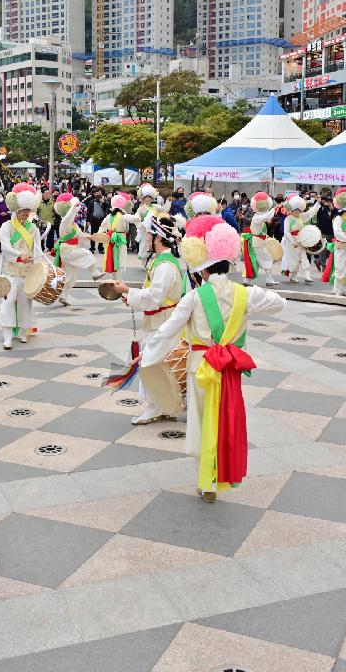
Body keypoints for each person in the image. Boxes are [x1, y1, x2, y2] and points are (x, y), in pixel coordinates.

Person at [139, 215, 285, 502]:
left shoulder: (194, 298)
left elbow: (167, 331)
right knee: (226, 420)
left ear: (203, 271)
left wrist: (147, 357)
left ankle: (205, 481)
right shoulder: (246, 294)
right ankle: (221, 473)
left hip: (201, 368)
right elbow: (280, 303)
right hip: (230, 367)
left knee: (201, 421)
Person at [111, 213, 188, 425]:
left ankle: (156, 407)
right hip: (162, 320)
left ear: (158, 238)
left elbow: (154, 298)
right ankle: (163, 405)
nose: (148, 239)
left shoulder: (165, 266)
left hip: (165, 323)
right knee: (156, 363)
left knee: (151, 363)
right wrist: (132, 297)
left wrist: (128, 290)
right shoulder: (163, 262)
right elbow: (152, 295)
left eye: (151, 235)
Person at [0, 183, 47, 349]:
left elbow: (38, 248)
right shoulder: (6, 226)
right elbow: (5, 247)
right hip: (10, 270)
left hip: (27, 271)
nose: (26, 214)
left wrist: (40, 263)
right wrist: (19, 255)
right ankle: (7, 335)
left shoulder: (33, 228)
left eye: (28, 211)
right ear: (16, 209)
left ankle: (22, 332)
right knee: (8, 301)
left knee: (25, 302)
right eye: (23, 210)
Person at [53, 192, 100, 306]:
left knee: (69, 275)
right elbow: (69, 215)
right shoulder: (65, 221)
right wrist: (74, 206)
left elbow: (80, 234)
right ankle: (94, 273)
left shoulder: (74, 224)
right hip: (67, 250)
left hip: (71, 249)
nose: (75, 214)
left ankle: (63, 297)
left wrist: (90, 236)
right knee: (86, 253)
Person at [280, 193, 320, 284]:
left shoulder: (301, 217)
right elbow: (286, 232)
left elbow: (310, 213)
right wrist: (292, 241)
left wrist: (317, 203)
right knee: (293, 260)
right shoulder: (288, 219)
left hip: (301, 240)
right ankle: (293, 276)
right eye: (295, 209)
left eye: (299, 209)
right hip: (291, 242)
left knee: (304, 258)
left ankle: (307, 276)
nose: (297, 211)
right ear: (291, 210)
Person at [242, 192, 278, 287]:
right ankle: (269, 280)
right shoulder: (257, 218)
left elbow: (266, 217)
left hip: (258, 242)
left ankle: (247, 281)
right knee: (268, 259)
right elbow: (265, 217)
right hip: (257, 243)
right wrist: (274, 209)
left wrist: (275, 209)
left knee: (255, 262)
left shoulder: (258, 216)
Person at [97, 192, 132, 275]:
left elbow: (101, 228)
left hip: (110, 240)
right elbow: (134, 219)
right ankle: (118, 281)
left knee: (111, 259)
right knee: (121, 260)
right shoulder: (124, 216)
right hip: (121, 240)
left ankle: (113, 280)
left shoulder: (108, 216)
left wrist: (97, 236)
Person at [135, 184, 162, 262]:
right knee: (144, 245)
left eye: (150, 197)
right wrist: (141, 225)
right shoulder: (141, 209)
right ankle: (144, 261)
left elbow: (164, 210)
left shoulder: (156, 207)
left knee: (155, 245)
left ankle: (153, 261)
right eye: (146, 197)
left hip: (155, 230)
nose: (148, 199)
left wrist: (168, 202)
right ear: (143, 198)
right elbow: (137, 219)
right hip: (145, 230)